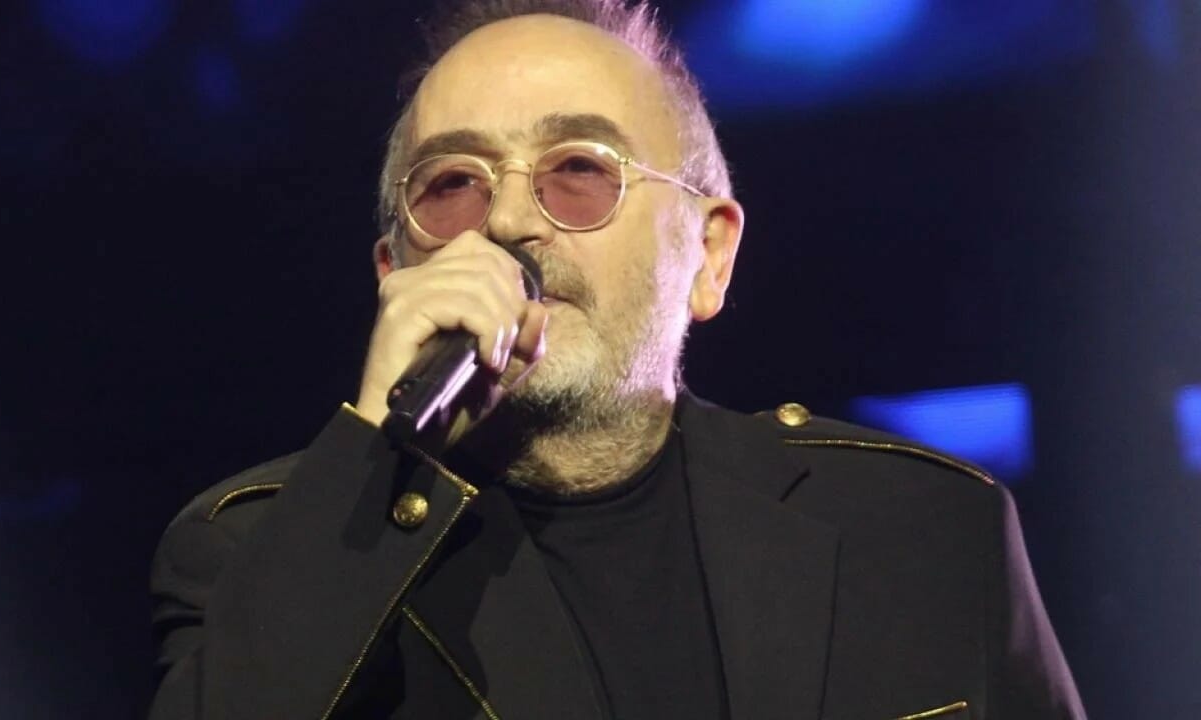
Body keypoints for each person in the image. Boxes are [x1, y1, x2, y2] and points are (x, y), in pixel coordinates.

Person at [148, 1, 1088, 718]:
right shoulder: (254, 548)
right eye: (452, 185)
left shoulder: (925, 526)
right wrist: (373, 466)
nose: (507, 222)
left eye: (580, 170)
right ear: (395, 274)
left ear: (708, 256)